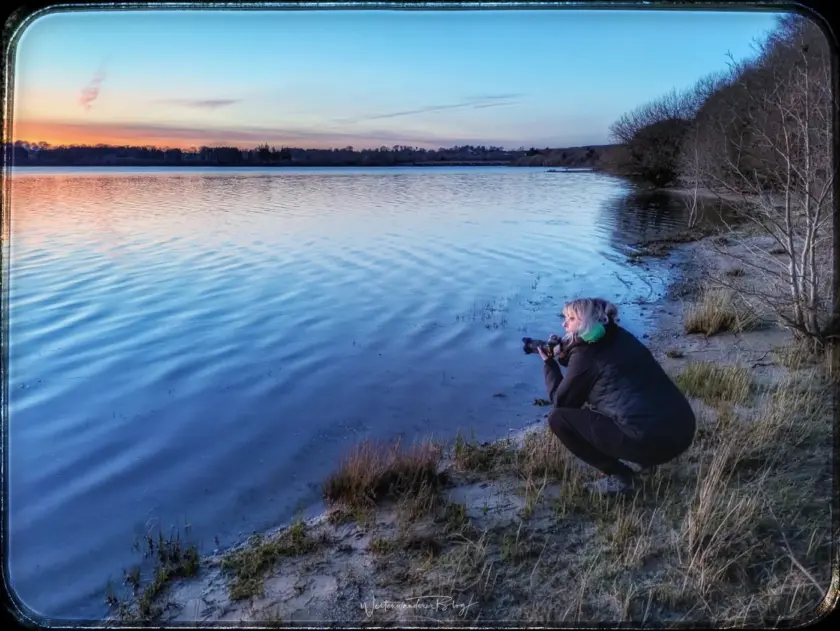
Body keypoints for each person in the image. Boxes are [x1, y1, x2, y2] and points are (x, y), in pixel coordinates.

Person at [535, 297, 695, 495]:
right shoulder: (620, 336)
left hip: (652, 443)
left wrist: (549, 364)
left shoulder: (586, 354)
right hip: (683, 431)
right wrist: (566, 352)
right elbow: (592, 367)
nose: (564, 324)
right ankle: (646, 463)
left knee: (558, 418)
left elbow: (562, 401)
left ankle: (623, 478)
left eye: (571, 318)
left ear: (587, 323)